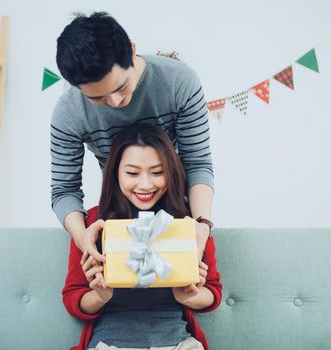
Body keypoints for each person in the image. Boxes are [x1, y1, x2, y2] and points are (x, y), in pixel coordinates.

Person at [51, 12, 215, 263]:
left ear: (131, 50)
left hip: (175, 208)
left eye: (120, 87)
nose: (116, 102)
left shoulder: (179, 82)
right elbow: (65, 190)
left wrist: (201, 223)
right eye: (98, 98)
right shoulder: (69, 113)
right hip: (117, 211)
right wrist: (81, 235)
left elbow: (197, 163)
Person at [62, 124, 222, 350]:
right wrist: (100, 295)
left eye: (157, 172)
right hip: (110, 344)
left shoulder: (192, 224)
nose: (146, 184)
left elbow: (213, 294)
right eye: (132, 173)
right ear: (115, 172)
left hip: (178, 343)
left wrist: (188, 295)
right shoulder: (92, 225)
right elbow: (73, 298)